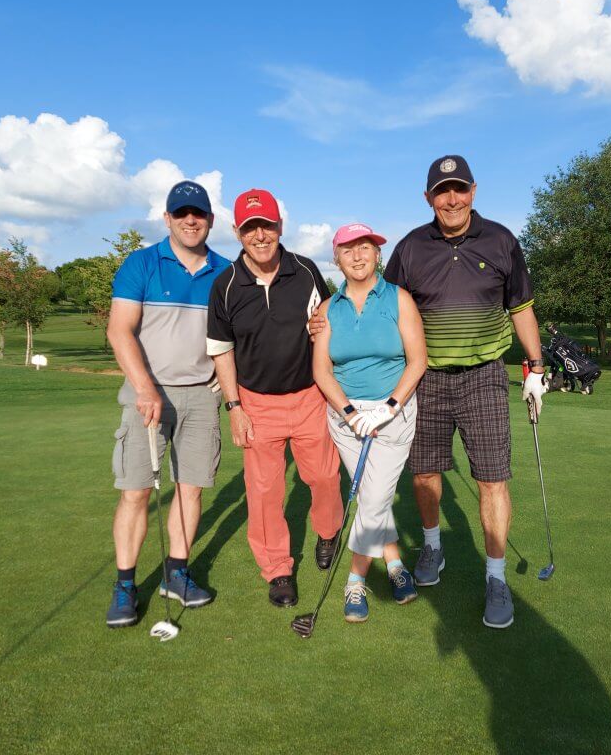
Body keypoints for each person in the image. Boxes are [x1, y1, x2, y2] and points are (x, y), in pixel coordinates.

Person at [309, 155, 547, 629]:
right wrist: (324, 320)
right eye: (442, 191)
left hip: (483, 374)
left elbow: (520, 307)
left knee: (493, 479)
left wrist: (536, 367)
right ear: (428, 198)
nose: (451, 199)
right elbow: (380, 301)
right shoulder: (412, 247)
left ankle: (496, 577)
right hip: (428, 379)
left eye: (459, 189)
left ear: (473, 191)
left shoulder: (501, 240)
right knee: (424, 474)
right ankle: (432, 548)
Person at [206, 188, 343, 608]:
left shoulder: (305, 270)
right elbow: (221, 350)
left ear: (280, 226)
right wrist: (234, 407)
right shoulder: (225, 285)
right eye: (250, 228)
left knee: (324, 477)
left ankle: (328, 532)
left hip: (308, 396)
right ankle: (278, 569)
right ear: (237, 232)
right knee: (264, 491)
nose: (260, 235)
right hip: (256, 402)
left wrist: (322, 333)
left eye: (266, 225)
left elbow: (325, 321)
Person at [104, 180, 231, 628]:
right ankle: (125, 585)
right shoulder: (141, 264)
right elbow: (119, 330)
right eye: (181, 214)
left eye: (198, 214)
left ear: (210, 220)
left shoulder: (225, 271)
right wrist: (144, 387)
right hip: (149, 392)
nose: (190, 221)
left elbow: (240, 333)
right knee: (136, 491)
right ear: (167, 219)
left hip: (201, 395)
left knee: (190, 488)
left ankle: (176, 574)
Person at [312, 223, 428, 623]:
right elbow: (322, 371)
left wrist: (389, 407)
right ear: (336, 259)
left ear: (378, 254)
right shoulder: (328, 309)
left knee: (374, 498)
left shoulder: (399, 299)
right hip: (346, 420)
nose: (357, 256)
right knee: (371, 497)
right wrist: (349, 413)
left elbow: (418, 360)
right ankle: (395, 564)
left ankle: (355, 580)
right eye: (347, 250)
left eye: (365, 247)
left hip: (393, 416)